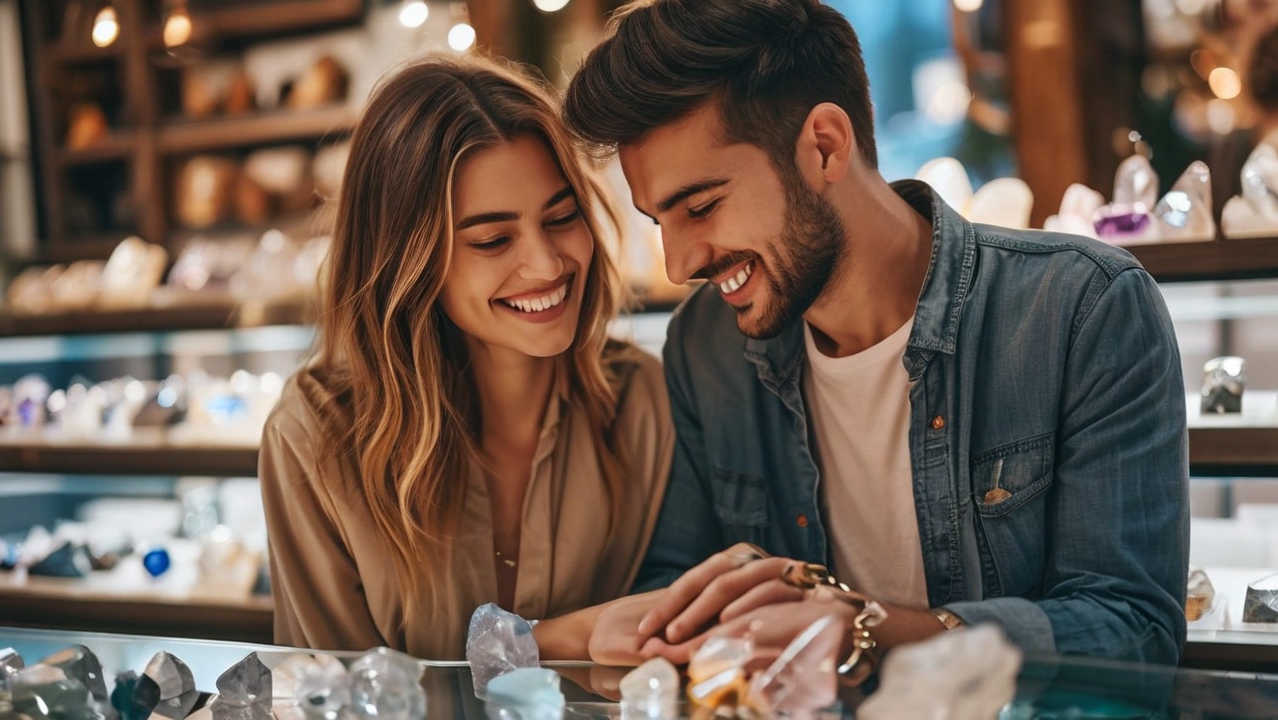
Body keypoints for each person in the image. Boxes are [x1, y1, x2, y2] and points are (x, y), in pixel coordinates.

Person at [563, 0, 1189, 674]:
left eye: (701, 206)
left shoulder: (1081, 308)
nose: (680, 263)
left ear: (825, 146)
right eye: (660, 221)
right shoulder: (704, 347)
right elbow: (678, 587)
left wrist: (869, 631)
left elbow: (1133, 628)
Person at [259, 54, 673, 660]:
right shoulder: (315, 439)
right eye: (493, 240)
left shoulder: (643, 401)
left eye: (561, 217)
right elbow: (336, 698)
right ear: (408, 259)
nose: (548, 263)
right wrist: (545, 646)